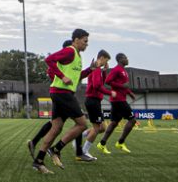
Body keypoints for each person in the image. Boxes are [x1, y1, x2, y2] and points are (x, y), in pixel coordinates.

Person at [30, 29, 93, 174]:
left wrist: (91, 69)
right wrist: (62, 76)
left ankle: (38, 161)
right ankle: (56, 149)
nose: (87, 44)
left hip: (61, 93)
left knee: (56, 128)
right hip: (62, 93)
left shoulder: (77, 56)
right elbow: (49, 59)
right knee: (83, 124)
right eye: (85, 40)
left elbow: (78, 76)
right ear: (76, 40)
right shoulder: (70, 51)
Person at [97, 52, 137, 154]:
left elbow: (124, 86)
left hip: (118, 100)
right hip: (119, 100)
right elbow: (108, 81)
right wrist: (122, 86)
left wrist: (130, 93)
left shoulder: (124, 71)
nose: (127, 59)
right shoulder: (116, 69)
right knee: (132, 120)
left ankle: (102, 143)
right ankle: (120, 142)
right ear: (120, 59)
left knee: (114, 123)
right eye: (125, 58)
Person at [80, 49, 113, 159]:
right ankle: (83, 152)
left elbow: (99, 83)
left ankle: (79, 137)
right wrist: (110, 93)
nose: (106, 63)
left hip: (95, 101)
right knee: (97, 128)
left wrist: (104, 71)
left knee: (103, 127)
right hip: (93, 100)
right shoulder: (96, 69)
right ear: (102, 58)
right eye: (106, 60)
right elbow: (97, 86)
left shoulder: (98, 69)